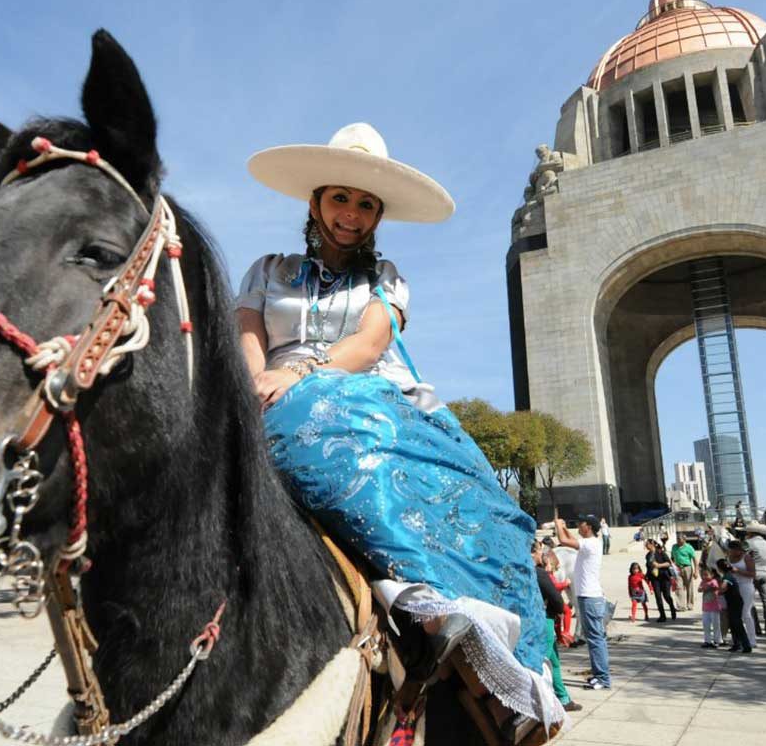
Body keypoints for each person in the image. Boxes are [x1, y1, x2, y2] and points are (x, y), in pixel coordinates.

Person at [236, 123, 562, 729]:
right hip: (268, 395)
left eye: (366, 204)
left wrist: (301, 374)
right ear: (314, 201)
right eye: (340, 198)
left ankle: (453, 621)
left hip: (361, 394)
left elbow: (367, 345)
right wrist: (257, 383)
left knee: (482, 498)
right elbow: (249, 343)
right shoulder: (265, 270)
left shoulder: (385, 278)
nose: (352, 215)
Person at [555, 515, 611, 690]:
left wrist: (557, 525)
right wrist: (563, 527)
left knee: (595, 640)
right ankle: (598, 675)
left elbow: (563, 541)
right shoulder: (590, 543)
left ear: (589, 527)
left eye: (581, 523)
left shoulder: (590, 544)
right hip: (588, 597)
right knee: (594, 639)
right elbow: (571, 539)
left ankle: (603, 678)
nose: (578, 525)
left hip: (590, 598)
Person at [532, 543, 582, 713]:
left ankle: (563, 698)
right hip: (545, 620)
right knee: (544, 662)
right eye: (539, 550)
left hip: (535, 620)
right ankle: (539, 701)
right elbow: (557, 600)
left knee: (554, 661)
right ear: (533, 553)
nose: (541, 553)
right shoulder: (540, 574)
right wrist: (560, 609)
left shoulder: (523, 572)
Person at [743, 522, 766, 636]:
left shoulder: (748, 543)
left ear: (751, 532)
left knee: (751, 601)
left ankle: (756, 628)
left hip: (752, 573)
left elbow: (742, 556)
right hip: (765, 573)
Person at [726, 540, 758, 649]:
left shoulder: (747, 558)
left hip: (746, 586)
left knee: (746, 613)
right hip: (733, 587)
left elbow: (753, 574)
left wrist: (737, 571)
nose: (731, 552)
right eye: (729, 550)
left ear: (738, 550)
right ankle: (738, 639)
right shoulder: (728, 557)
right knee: (734, 615)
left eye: (733, 550)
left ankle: (752, 639)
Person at [717, 559, 752, 653]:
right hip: (733, 602)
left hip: (735, 603)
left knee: (737, 624)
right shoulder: (728, 575)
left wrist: (717, 591)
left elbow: (723, 588)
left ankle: (746, 645)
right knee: (733, 624)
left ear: (720, 568)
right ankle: (736, 644)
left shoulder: (727, 577)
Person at [646, 541, 677, 622]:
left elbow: (669, 563)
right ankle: (662, 615)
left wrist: (659, 565)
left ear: (652, 544)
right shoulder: (648, 555)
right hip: (654, 578)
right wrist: (647, 576)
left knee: (666, 596)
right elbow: (648, 567)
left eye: (647, 544)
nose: (646, 545)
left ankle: (672, 608)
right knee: (658, 597)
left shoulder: (661, 552)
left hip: (664, 577)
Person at [670, 534, 698, 611]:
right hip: (678, 568)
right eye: (677, 538)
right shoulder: (674, 547)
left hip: (687, 568)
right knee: (679, 587)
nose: (678, 540)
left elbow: (695, 559)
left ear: (684, 539)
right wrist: (673, 566)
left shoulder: (689, 547)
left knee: (689, 586)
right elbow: (672, 557)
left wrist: (696, 571)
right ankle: (681, 606)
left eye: (679, 539)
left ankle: (690, 604)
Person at [698, 564, 723, 648]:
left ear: (712, 575)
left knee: (716, 624)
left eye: (706, 574)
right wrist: (702, 587)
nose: (704, 577)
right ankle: (707, 640)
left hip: (714, 607)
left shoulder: (714, 581)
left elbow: (716, 587)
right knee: (706, 624)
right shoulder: (703, 582)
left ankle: (717, 640)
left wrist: (709, 586)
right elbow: (699, 589)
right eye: (703, 575)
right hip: (705, 607)